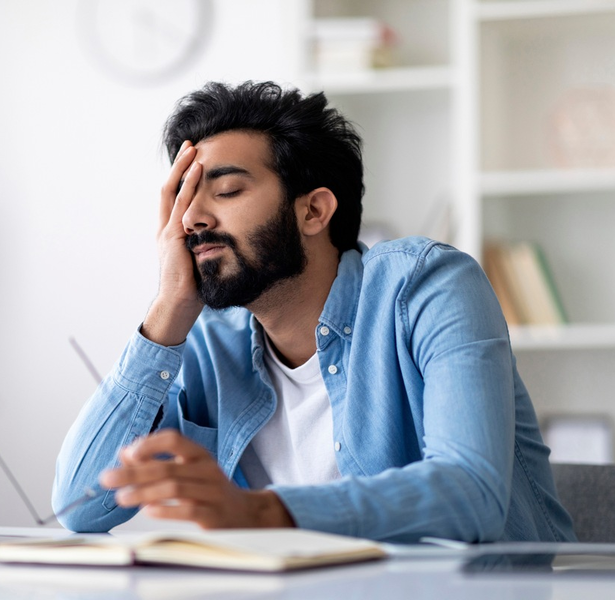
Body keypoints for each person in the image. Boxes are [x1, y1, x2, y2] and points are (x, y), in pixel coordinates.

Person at [52, 81, 575, 542]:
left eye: (227, 190)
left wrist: (260, 512)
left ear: (314, 210)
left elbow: (471, 493)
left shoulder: (427, 285)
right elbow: (79, 507)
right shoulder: (208, 339)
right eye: (184, 200)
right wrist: (167, 311)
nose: (191, 220)